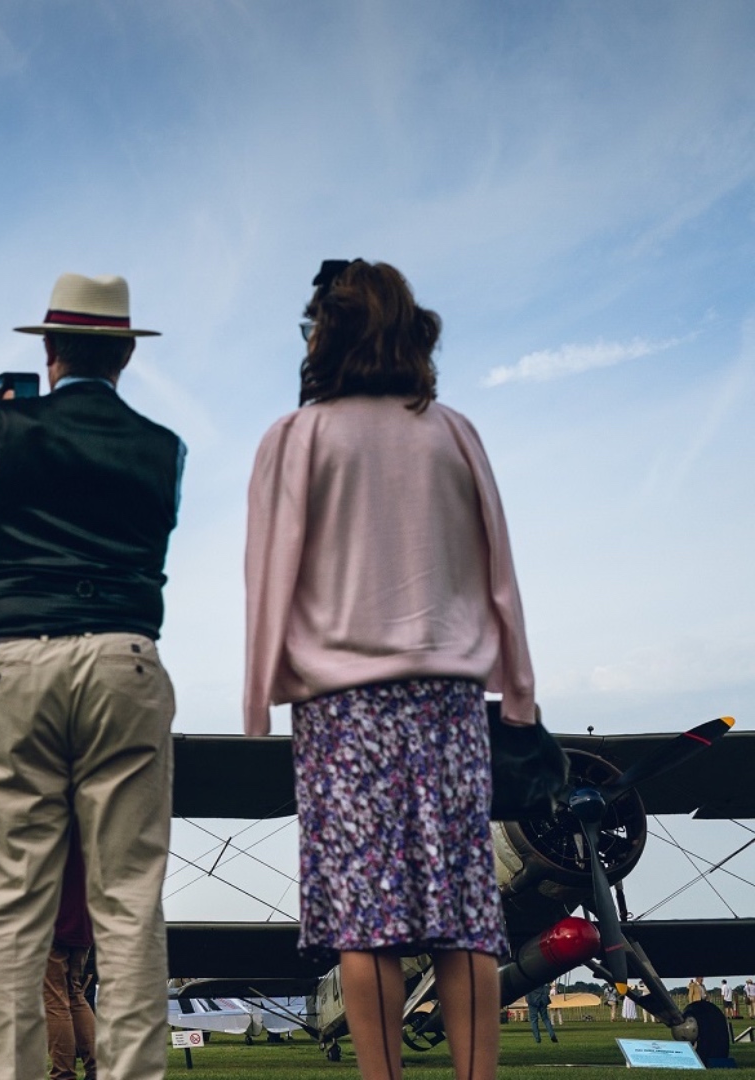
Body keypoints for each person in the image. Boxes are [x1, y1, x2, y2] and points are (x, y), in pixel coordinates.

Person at [245, 260, 536, 1080]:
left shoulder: (295, 437)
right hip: (449, 704)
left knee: (363, 920)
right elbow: (499, 571)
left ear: (326, 334)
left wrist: (260, 697)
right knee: (461, 914)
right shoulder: (452, 431)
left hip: (342, 711)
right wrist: (520, 692)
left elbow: (269, 576)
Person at [0, 273, 183, 1080]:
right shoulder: (163, 448)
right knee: (130, 905)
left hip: (18, 655)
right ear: (124, 356)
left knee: (13, 908)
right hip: (125, 655)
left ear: (47, 351)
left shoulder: (2, 425)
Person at [46, 832, 96, 1080]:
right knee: (75, 993)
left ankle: (63, 1074)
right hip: (83, 920)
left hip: (50, 920)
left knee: (54, 1000)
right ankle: (99, 1068)